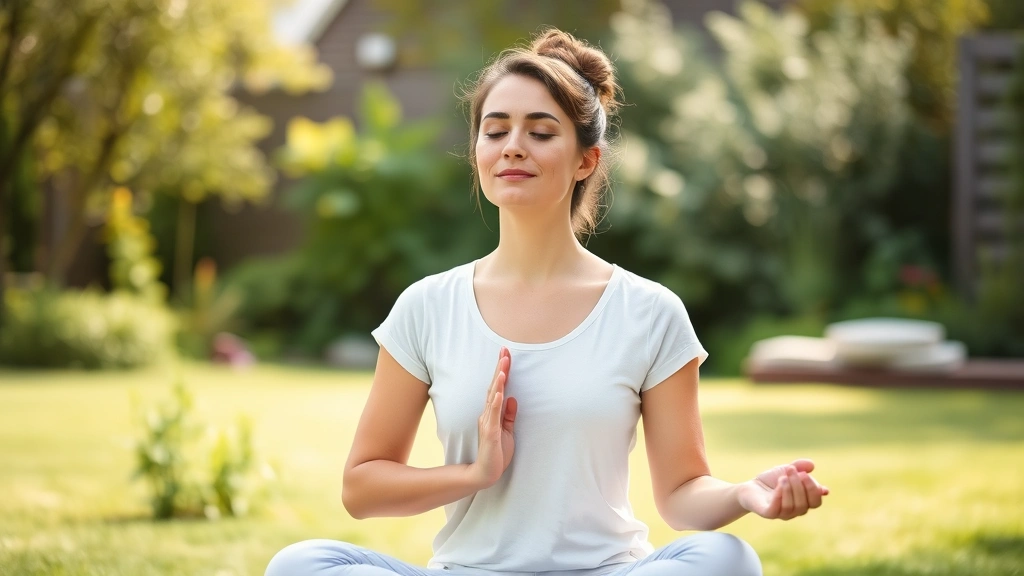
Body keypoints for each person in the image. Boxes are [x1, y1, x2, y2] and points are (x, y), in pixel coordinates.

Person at [266, 28, 827, 576]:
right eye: (495, 130)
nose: (513, 146)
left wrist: (745, 494)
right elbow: (362, 487)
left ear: (586, 159)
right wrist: (474, 473)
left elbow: (682, 495)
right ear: (477, 151)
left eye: (541, 132)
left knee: (726, 560)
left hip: (605, 570)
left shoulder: (649, 312)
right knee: (301, 564)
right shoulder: (426, 307)